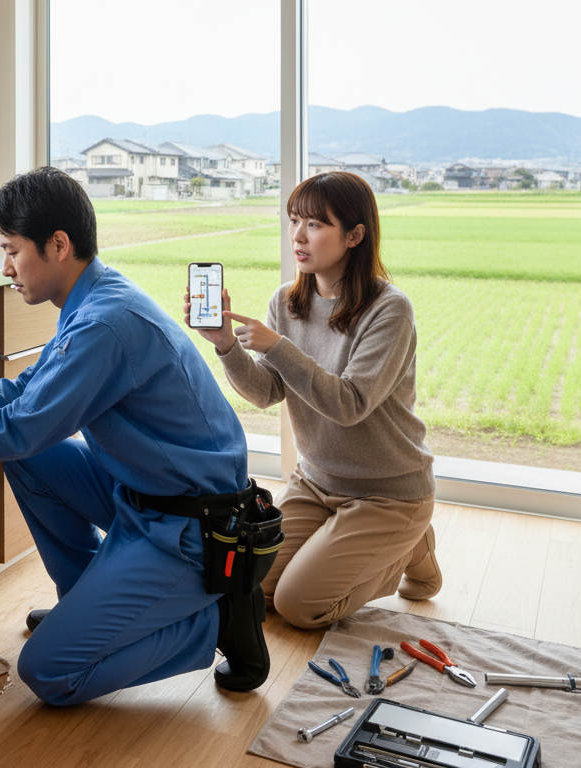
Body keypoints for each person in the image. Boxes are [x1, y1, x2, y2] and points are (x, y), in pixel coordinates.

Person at [0, 167, 267, 706]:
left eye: (12, 250)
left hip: (188, 526)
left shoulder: (105, 323)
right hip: (142, 496)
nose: (5, 266)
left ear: (58, 245)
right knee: (33, 460)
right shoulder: (91, 298)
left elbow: (25, 425)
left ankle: (214, 619)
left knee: (49, 673)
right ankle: (87, 601)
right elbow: (29, 390)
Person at [185, 171, 439, 630]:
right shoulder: (285, 303)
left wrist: (276, 347)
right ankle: (392, 543)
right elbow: (266, 392)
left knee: (300, 606)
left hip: (386, 492)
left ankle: (409, 541)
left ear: (355, 235)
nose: (298, 237)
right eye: (293, 221)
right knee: (254, 589)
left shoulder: (389, 309)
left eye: (315, 225)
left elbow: (350, 404)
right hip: (316, 483)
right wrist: (226, 345)